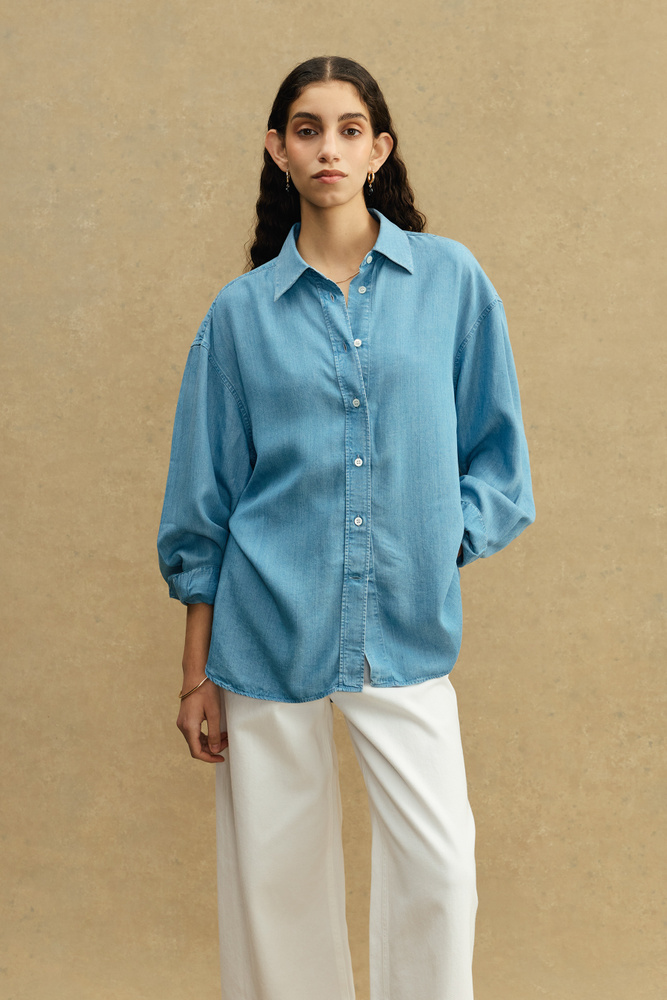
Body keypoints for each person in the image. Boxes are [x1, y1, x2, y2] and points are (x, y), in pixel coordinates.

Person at [157, 55, 535, 1000]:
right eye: (308, 129)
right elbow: (204, 501)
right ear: (277, 150)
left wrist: (436, 541)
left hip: (403, 623)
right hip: (264, 625)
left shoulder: (449, 281)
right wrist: (196, 674)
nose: (328, 147)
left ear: (379, 150)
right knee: (276, 888)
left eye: (349, 129)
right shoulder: (239, 316)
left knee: (440, 870)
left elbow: (499, 459)